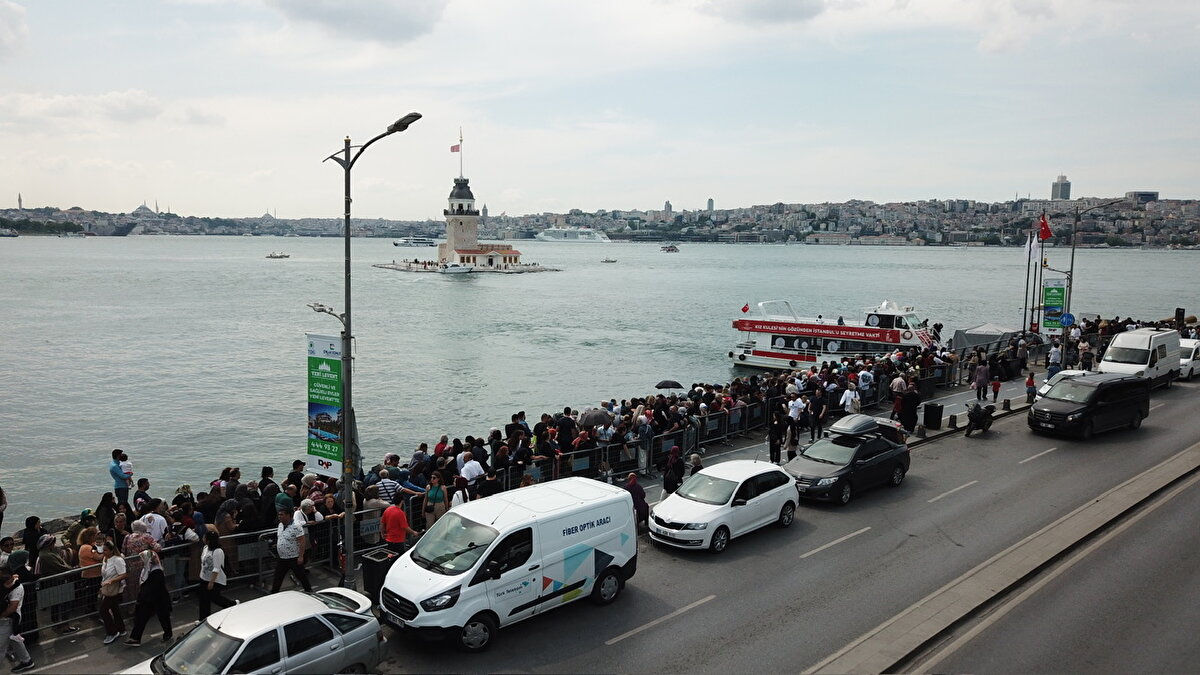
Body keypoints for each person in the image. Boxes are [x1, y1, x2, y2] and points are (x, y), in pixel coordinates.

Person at [126, 550, 172, 646]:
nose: (142, 560)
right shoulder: (148, 568)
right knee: (141, 618)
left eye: (143, 558)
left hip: (158, 599)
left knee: (163, 618)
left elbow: (154, 587)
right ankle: (135, 638)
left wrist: (143, 596)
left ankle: (168, 634)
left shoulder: (157, 571)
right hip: (148, 600)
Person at [0, 570, 35, 673]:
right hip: (6, 619)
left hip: (8, 619)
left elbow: (12, 607)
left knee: (0, 646)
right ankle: (27, 661)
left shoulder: (17, 588)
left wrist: (1, 616)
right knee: (14, 639)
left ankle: (27, 661)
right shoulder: (6, 581)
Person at [271, 508, 312, 593]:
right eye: (279, 515)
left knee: (301, 576)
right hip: (282, 557)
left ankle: (309, 590)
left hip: (293, 557)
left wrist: (301, 556)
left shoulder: (296, 526)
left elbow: (302, 541)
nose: (279, 516)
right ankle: (274, 592)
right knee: (278, 576)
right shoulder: (280, 525)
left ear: (288, 515)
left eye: (282, 514)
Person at [98, 537, 128, 644]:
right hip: (108, 588)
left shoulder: (118, 560)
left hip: (115, 589)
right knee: (115, 609)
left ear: (111, 550)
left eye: (105, 550)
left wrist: (112, 581)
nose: (103, 552)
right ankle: (121, 629)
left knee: (103, 610)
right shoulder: (105, 559)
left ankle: (112, 632)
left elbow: (124, 574)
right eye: (103, 550)